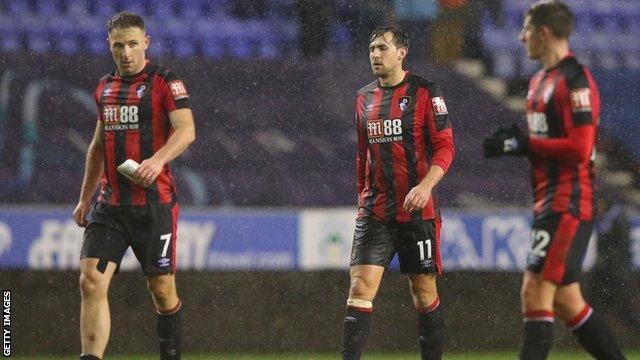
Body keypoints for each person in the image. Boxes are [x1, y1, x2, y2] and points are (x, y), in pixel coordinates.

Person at [482, 1, 626, 359]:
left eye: (527, 29)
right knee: (566, 300)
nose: (521, 36)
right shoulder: (538, 81)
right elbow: (548, 144)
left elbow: (579, 148)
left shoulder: (575, 79)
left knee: (534, 291)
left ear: (544, 33)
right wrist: (518, 143)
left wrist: (525, 144)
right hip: (550, 200)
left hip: (570, 200)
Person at [72, 11, 195, 360]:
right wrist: (84, 200)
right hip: (109, 206)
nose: (126, 52)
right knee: (90, 281)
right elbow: (98, 147)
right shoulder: (104, 87)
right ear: (109, 47)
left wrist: (157, 161)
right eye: (117, 46)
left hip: (154, 205)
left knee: (161, 289)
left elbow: (187, 130)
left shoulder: (165, 82)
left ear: (146, 43)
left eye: (132, 44)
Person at [342, 26, 455, 360]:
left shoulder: (425, 91)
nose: (375, 54)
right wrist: (362, 196)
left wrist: (426, 186)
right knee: (359, 288)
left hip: (417, 213)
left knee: (422, 292)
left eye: (382, 48)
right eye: (371, 48)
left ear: (401, 52)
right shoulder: (363, 98)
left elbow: (446, 146)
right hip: (375, 211)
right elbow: (362, 154)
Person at [590, 189, 640, 332]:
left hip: (618, 273)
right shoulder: (604, 220)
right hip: (606, 272)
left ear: (605, 203)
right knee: (598, 308)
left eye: (599, 203)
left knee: (623, 311)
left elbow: (621, 248)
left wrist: (604, 260)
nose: (597, 207)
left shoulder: (618, 218)